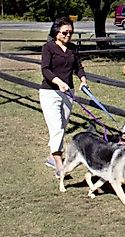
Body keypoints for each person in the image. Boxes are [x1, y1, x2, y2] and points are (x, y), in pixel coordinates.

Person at [39, 16, 87, 176]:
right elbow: (45, 69)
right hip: (50, 92)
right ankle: (59, 164)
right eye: (65, 32)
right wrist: (58, 82)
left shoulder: (72, 48)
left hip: (68, 92)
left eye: (71, 33)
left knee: (62, 126)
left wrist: (83, 80)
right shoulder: (48, 47)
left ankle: (51, 157)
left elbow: (78, 67)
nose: (68, 35)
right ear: (56, 32)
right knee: (56, 127)